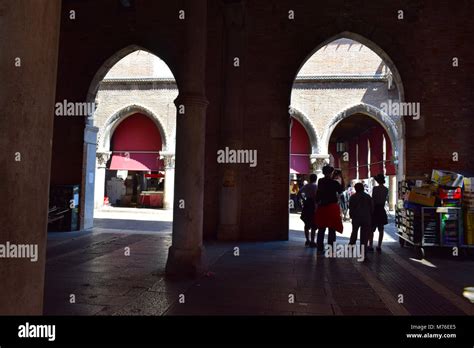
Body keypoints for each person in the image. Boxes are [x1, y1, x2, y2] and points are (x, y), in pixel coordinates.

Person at [314, 165, 344, 255]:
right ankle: (331, 249)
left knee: (321, 229)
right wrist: (340, 177)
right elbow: (341, 190)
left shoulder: (320, 181)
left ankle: (320, 249)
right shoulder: (334, 183)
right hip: (332, 207)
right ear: (331, 173)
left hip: (322, 207)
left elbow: (319, 193)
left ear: (323, 172)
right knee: (332, 229)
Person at [349, 182, 373, 254]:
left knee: (354, 233)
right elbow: (372, 208)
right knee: (364, 236)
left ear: (356, 189)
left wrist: (351, 215)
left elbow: (351, 208)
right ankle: (363, 252)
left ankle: (351, 247)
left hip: (356, 218)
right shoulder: (368, 197)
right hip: (366, 218)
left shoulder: (353, 197)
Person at [368, 173, 389, 253]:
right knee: (381, 229)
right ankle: (379, 246)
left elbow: (373, 200)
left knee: (371, 229)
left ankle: (370, 245)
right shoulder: (386, 189)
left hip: (375, 209)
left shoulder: (375, 189)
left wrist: (371, 210)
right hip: (381, 209)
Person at [298, 174, 318, 247]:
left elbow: (299, 192)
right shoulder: (316, 186)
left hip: (307, 204)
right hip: (313, 205)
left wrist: (304, 199)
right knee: (313, 224)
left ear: (310, 179)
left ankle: (307, 240)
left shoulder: (306, 186)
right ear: (316, 179)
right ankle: (312, 241)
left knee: (306, 223)